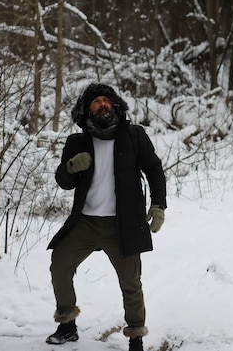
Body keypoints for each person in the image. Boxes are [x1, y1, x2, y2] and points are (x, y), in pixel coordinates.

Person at [45, 83, 167, 351]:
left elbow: (154, 170)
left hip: (122, 224)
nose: (102, 105)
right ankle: (67, 325)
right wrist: (71, 166)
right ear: (86, 109)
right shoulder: (76, 142)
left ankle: (136, 338)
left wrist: (159, 205)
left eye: (106, 100)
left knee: (131, 282)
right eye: (96, 102)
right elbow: (63, 181)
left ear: (115, 105)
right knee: (60, 265)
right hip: (85, 223)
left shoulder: (134, 136)